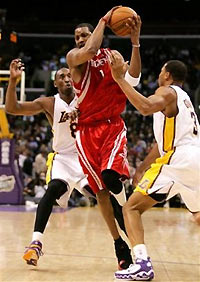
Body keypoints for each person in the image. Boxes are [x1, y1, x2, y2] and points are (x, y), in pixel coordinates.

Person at [109, 53, 200, 280]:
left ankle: (141, 264)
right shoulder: (185, 98)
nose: (159, 74)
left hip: (179, 160)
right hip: (194, 158)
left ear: (167, 75)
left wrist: (120, 79)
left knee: (131, 208)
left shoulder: (166, 92)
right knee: (198, 215)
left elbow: (146, 107)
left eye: (161, 71)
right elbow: (160, 144)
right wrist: (142, 168)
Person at [66, 7, 142, 269]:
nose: (80, 38)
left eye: (84, 34)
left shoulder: (112, 55)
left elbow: (134, 78)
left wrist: (134, 44)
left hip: (111, 126)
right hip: (86, 132)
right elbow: (88, 51)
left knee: (110, 179)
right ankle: (118, 242)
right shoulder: (75, 57)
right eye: (76, 36)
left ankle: (123, 205)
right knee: (99, 192)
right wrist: (102, 20)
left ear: (95, 35)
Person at [5, 59, 97, 266]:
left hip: (85, 157)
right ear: (55, 84)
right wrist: (13, 81)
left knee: (102, 195)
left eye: (68, 75)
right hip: (63, 158)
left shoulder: (86, 98)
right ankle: (35, 243)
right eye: (61, 77)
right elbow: (12, 108)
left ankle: (127, 247)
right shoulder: (49, 103)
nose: (66, 79)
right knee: (52, 190)